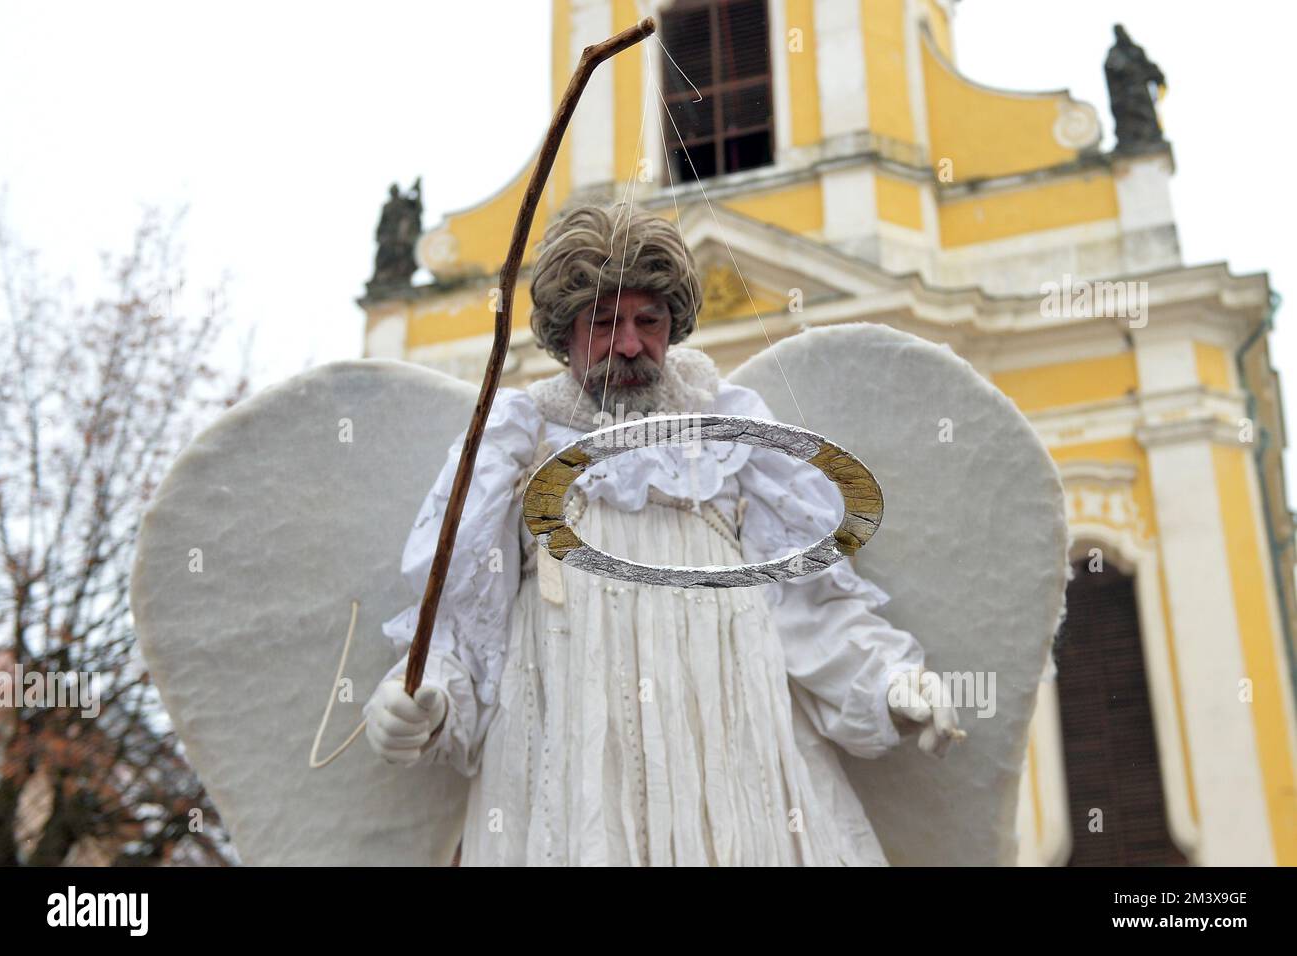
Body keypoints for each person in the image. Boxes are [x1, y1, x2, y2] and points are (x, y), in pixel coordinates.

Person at [363, 202, 960, 865]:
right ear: (564, 334)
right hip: (572, 768)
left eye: (648, 321)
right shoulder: (514, 439)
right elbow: (467, 625)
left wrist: (886, 678)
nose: (628, 344)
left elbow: (806, 603)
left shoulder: (733, 430)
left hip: (734, 755)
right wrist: (426, 698)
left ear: (673, 324)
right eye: (604, 323)